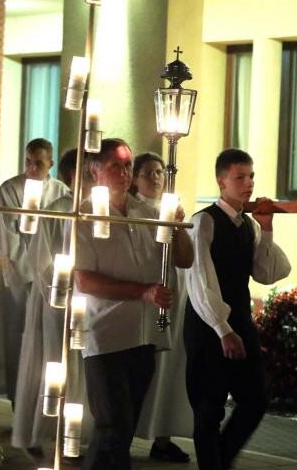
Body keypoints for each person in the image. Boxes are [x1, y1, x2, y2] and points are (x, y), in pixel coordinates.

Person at [73, 138, 193, 469]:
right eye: (116, 165)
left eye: (128, 165)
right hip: (106, 333)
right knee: (112, 424)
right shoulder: (84, 215)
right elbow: (85, 280)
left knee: (124, 429)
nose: (125, 172)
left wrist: (178, 227)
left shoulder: (147, 213)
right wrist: (142, 291)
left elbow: (184, 260)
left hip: (144, 335)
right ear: (95, 171)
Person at [184, 148, 290, 470]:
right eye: (240, 177)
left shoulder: (248, 225)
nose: (249, 183)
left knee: (255, 400)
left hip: (240, 320)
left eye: (251, 176)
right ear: (221, 181)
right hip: (208, 325)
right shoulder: (203, 222)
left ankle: (219, 461)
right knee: (209, 408)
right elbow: (200, 279)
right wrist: (222, 329)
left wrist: (266, 228)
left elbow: (267, 273)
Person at [11, 148, 92, 456]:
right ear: (72, 174)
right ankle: (44, 433)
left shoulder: (96, 210)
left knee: (82, 370)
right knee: (54, 364)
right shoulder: (57, 210)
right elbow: (40, 259)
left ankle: (75, 435)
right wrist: (61, 292)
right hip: (57, 300)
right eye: (88, 171)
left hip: (89, 300)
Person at [0, 138, 68, 404]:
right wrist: (32, 274)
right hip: (21, 278)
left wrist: (51, 275)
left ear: (51, 164)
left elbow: (61, 236)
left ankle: (46, 398)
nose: (32, 168)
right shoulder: (10, 189)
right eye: (28, 162)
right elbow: (8, 237)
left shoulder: (61, 192)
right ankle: (19, 398)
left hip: (52, 278)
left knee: (48, 339)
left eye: (39, 163)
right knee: (19, 336)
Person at [130, 152, 192, 463]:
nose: (155, 178)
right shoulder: (133, 210)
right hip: (146, 293)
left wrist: (177, 226)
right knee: (142, 365)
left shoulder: (169, 208)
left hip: (173, 291)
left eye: (159, 172)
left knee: (170, 367)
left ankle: (163, 436)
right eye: (148, 173)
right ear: (135, 178)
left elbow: (185, 258)